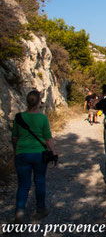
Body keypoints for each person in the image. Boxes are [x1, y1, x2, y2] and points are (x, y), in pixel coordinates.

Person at [11, 90, 58, 223]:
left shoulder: (18, 117)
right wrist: (54, 154)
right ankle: (40, 210)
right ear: (39, 102)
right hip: (39, 155)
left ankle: (19, 212)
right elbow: (48, 139)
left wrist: (17, 151)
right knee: (40, 181)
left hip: (22, 154)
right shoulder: (43, 118)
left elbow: (14, 138)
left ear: (27, 101)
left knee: (23, 185)